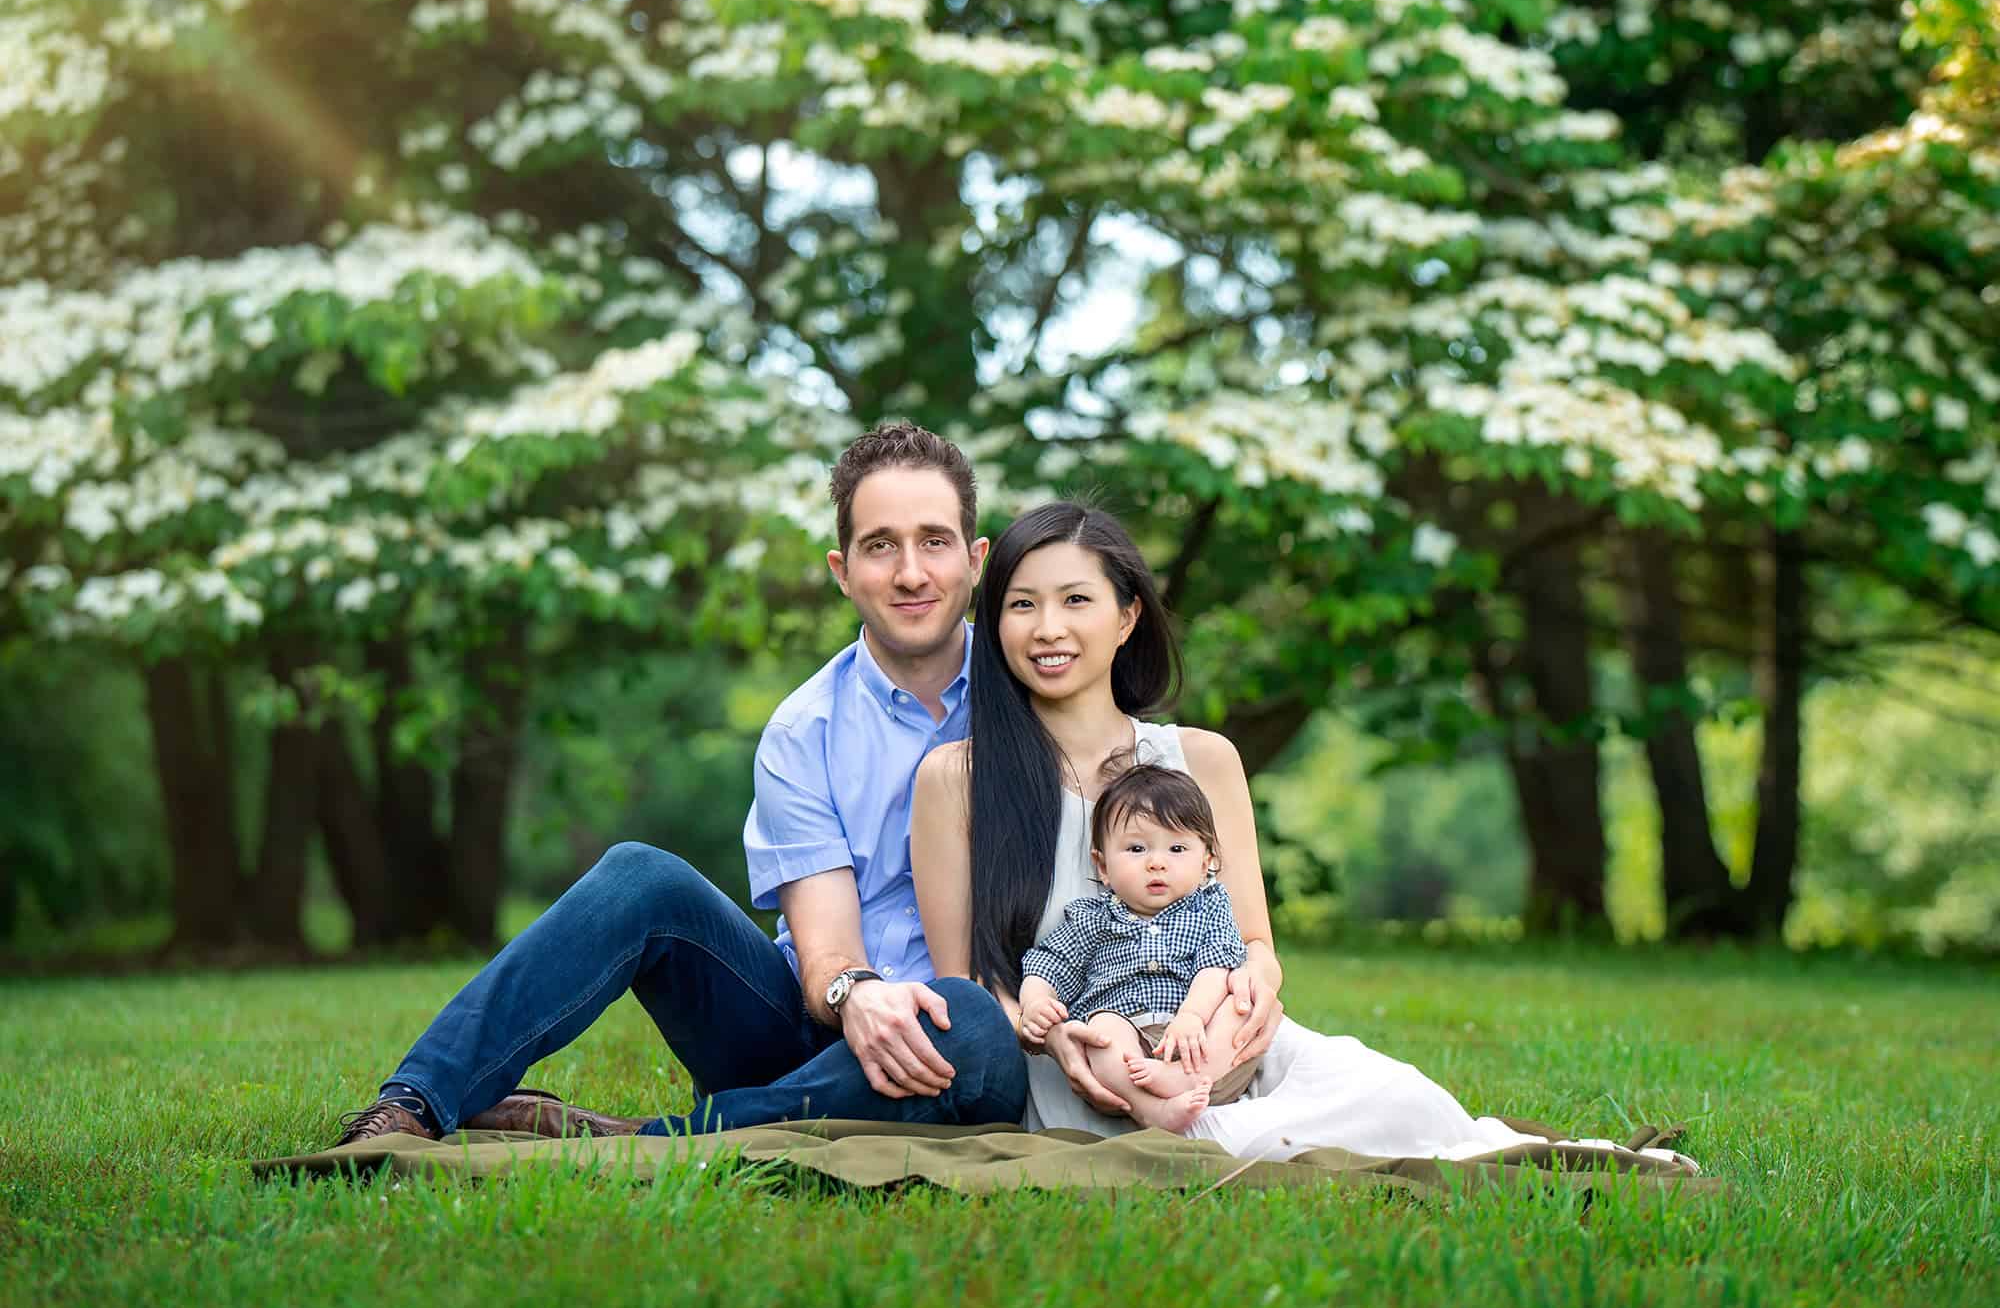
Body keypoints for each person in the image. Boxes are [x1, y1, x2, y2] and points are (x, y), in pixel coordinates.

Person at [912, 499, 1701, 1170]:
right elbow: (970, 987)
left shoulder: (1202, 759)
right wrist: (1060, 1042)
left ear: (1127, 617)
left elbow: (1253, 941)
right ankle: (1208, 1138)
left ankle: (1259, 1127)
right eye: (1022, 603)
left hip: (1222, 1042)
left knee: (1401, 1099)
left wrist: (1256, 989)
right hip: (1087, 1064)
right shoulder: (957, 778)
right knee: (1239, 1141)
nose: (1048, 627)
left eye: (1075, 600)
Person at [330, 423, 1027, 1147]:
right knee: (641, 876)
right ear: (842, 569)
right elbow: (826, 953)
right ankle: (414, 1100)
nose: (910, 572)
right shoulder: (805, 729)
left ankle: (655, 1138)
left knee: (970, 1017)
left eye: (934, 541)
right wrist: (859, 994)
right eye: (880, 545)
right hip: (810, 1030)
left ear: (976, 559)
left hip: (961, 1045)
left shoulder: (1030, 704)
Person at [1016, 760, 1259, 1133]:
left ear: (1207, 860)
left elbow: (1218, 964)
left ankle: (1180, 1080)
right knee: (1100, 1030)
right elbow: (1047, 964)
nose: (1157, 863)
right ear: (1103, 867)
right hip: (1128, 1048)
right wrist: (1035, 1003)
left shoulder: (1209, 905)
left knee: (1239, 1004)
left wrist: (1192, 1015)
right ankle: (1153, 1109)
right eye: (1136, 849)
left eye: (1177, 848)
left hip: (1198, 1042)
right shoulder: (1091, 917)